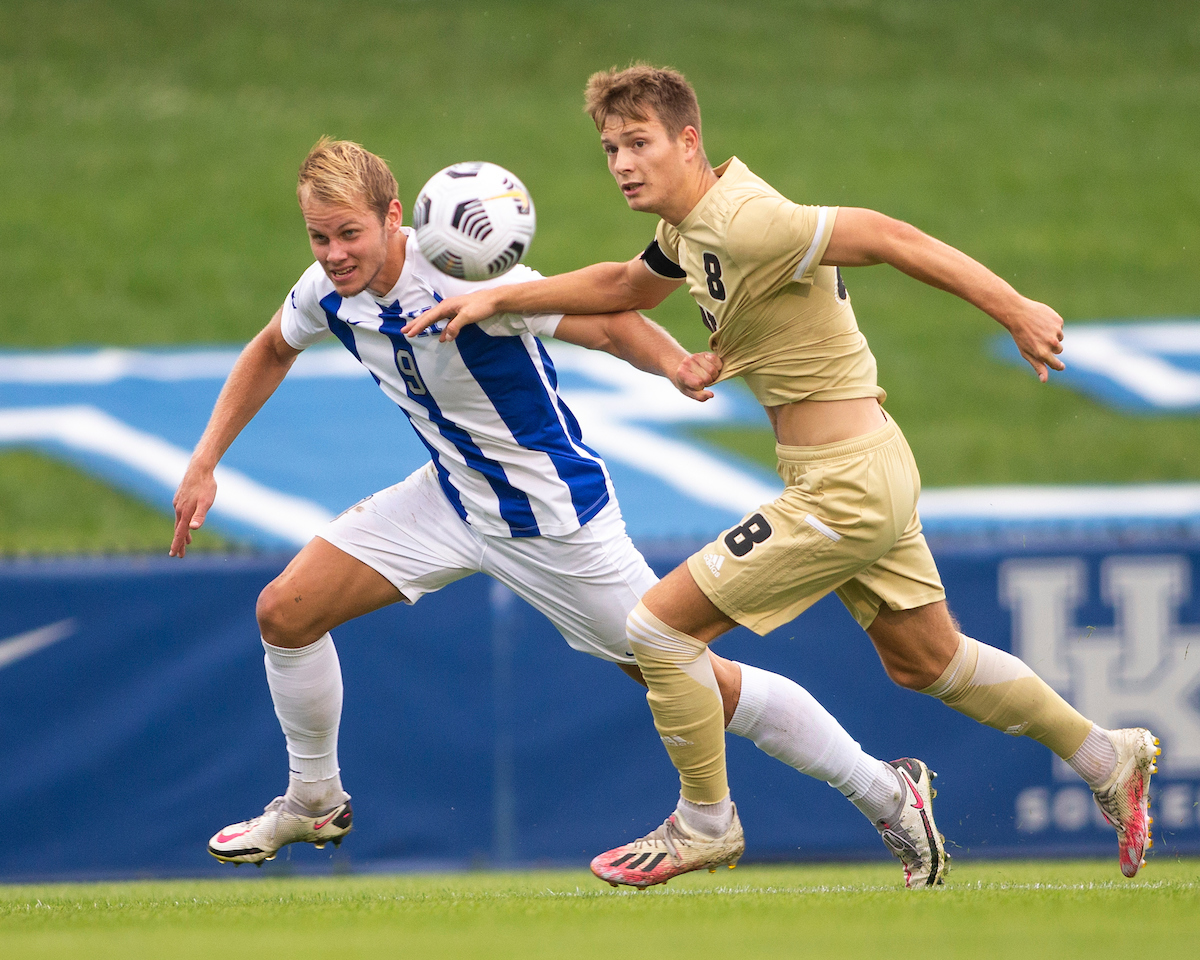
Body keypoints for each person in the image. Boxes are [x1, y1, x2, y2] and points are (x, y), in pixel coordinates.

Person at [405, 65, 1160, 886]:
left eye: (640, 143)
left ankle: (705, 824)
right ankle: (1102, 755)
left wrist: (1014, 307)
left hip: (846, 484)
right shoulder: (688, 229)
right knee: (926, 661)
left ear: (688, 141)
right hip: (864, 461)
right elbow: (627, 286)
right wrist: (498, 302)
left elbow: (890, 236)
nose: (622, 162)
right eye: (611, 148)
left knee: (658, 630)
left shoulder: (747, 221)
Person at [170, 137, 949, 887]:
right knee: (286, 611)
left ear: (393, 216)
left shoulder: (464, 278)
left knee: (692, 676)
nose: (335, 253)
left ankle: (887, 792)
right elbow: (273, 346)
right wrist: (205, 461)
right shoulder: (325, 291)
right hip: (449, 493)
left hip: (547, 516)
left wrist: (674, 363)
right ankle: (314, 801)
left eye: (349, 233)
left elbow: (607, 320)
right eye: (320, 236)